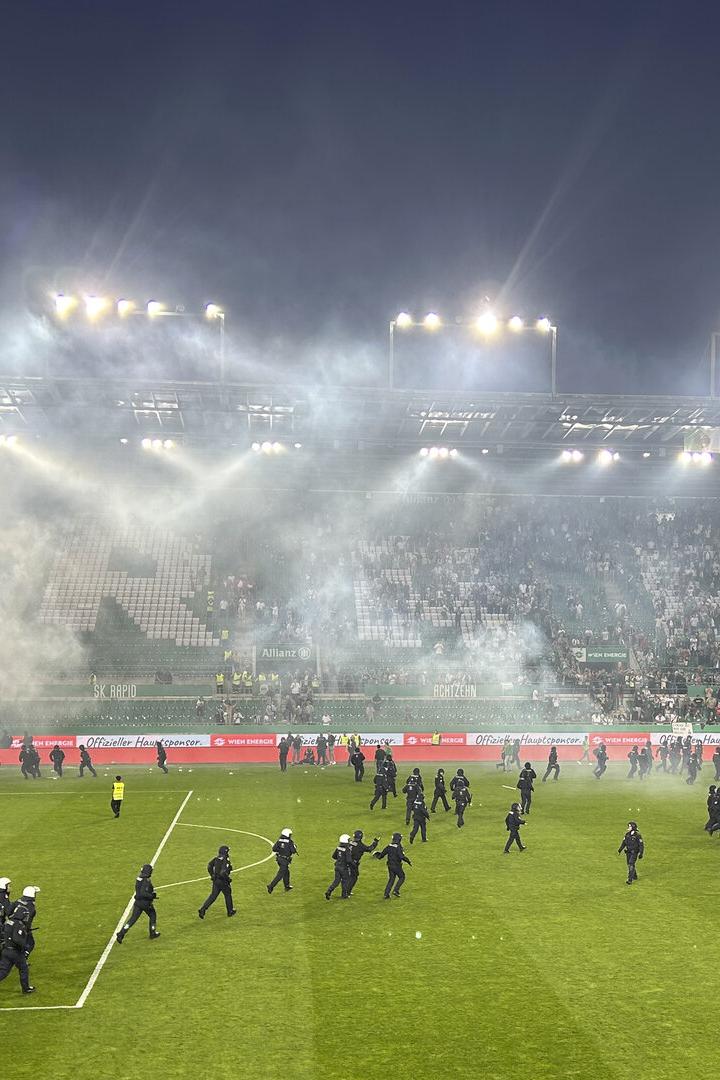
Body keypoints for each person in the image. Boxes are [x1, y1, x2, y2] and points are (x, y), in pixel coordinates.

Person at [116, 864, 160, 942]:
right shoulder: (146, 881)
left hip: (138, 903)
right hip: (145, 903)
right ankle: (152, 932)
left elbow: (139, 892)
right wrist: (152, 896)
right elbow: (143, 893)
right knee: (153, 915)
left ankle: (121, 933)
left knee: (132, 919)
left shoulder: (139, 878)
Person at [0, 906, 34, 994]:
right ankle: (26, 989)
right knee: (24, 968)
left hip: (6, 951)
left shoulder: (9, 922)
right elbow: (17, 939)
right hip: (15, 952)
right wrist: (25, 945)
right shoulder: (18, 924)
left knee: (3, 972)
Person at [198, 845, 236, 919]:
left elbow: (209, 866)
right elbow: (223, 872)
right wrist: (227, 879)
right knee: (228, 894)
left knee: (213, 896)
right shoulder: (225, 860)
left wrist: (212, 875)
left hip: (216, 881)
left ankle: (203, 909)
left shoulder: (216, 859)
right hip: (223, 881)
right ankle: (230, 911)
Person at [373, 832, 412, 899]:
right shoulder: (398, 846)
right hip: (397, 865)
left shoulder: (389, 845)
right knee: (402, 877)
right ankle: (396, 890)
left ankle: (386, 894)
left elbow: (381, 856)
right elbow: (401, 856)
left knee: (391, 879)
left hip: (390, 865)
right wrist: (408, 861)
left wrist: (376, 854)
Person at [347, 830, 378, 894]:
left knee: (349, 876)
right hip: (353, 863)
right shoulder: (360, 845)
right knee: (354, 877)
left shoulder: (350, 842)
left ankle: (346, 891)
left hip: (347, 861)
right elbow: (370, 848)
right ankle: (347, 892)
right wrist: (375, 842)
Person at [267, 828, 297, 893]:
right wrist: (294, 846)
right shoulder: (290, 842)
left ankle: (287, 886)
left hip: (279, 859)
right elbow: (293, 851)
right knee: (280, 875)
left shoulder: (279, 840)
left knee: (286, 872)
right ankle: (271, 886)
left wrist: (281, 850)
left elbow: (274, 849)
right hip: (285, 860)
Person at [325, 835, 353, 900]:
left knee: (336, 881)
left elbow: (334, 856)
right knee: (345, 881)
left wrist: (340, 859)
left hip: (337, 867)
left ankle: (329, 891)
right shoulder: (347, 849)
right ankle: (344, 895)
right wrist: (353, 864)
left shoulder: (338, 847)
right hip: (344, 868)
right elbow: (349, 860)